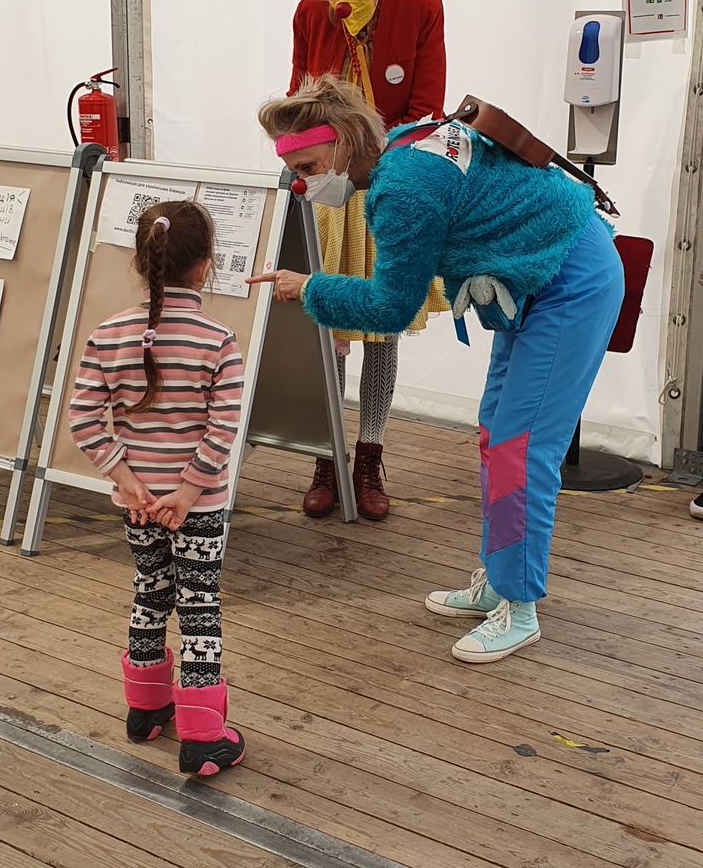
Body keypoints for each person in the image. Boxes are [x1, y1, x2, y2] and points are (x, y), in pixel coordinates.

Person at [249, 76, 624, 663]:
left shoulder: (404, 190)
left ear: (345, 141)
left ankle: (519, 607)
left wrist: (311, 288)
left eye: (309, 163)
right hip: (539, 273)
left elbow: (391, 308)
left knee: (520, 448)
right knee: (494, 434)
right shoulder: (405, 143)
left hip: (569, 282)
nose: (302, 184)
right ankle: (500, 579)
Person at [69, 200, 245, 773]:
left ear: (142, 264)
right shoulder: (218, 341)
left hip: (139, 507)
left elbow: (82, 418)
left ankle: (145, 710)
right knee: (199, 605)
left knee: (150, 589)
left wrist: (126, 480)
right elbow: (223, 429)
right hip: (198, 506)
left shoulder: (107, 334)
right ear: (205, 267)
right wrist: (189, 493)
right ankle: (201, 735)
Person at [289, 0, 447, 522]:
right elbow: (301, 104)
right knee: (328, 325)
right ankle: (325, 455)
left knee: (383, 324)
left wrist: (374, 167)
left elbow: (427, 112)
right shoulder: (311, 15)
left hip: (388, 187)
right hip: (329, 190)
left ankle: (370, 453)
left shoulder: (420, 8)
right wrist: (310, 168)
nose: (341, 0)